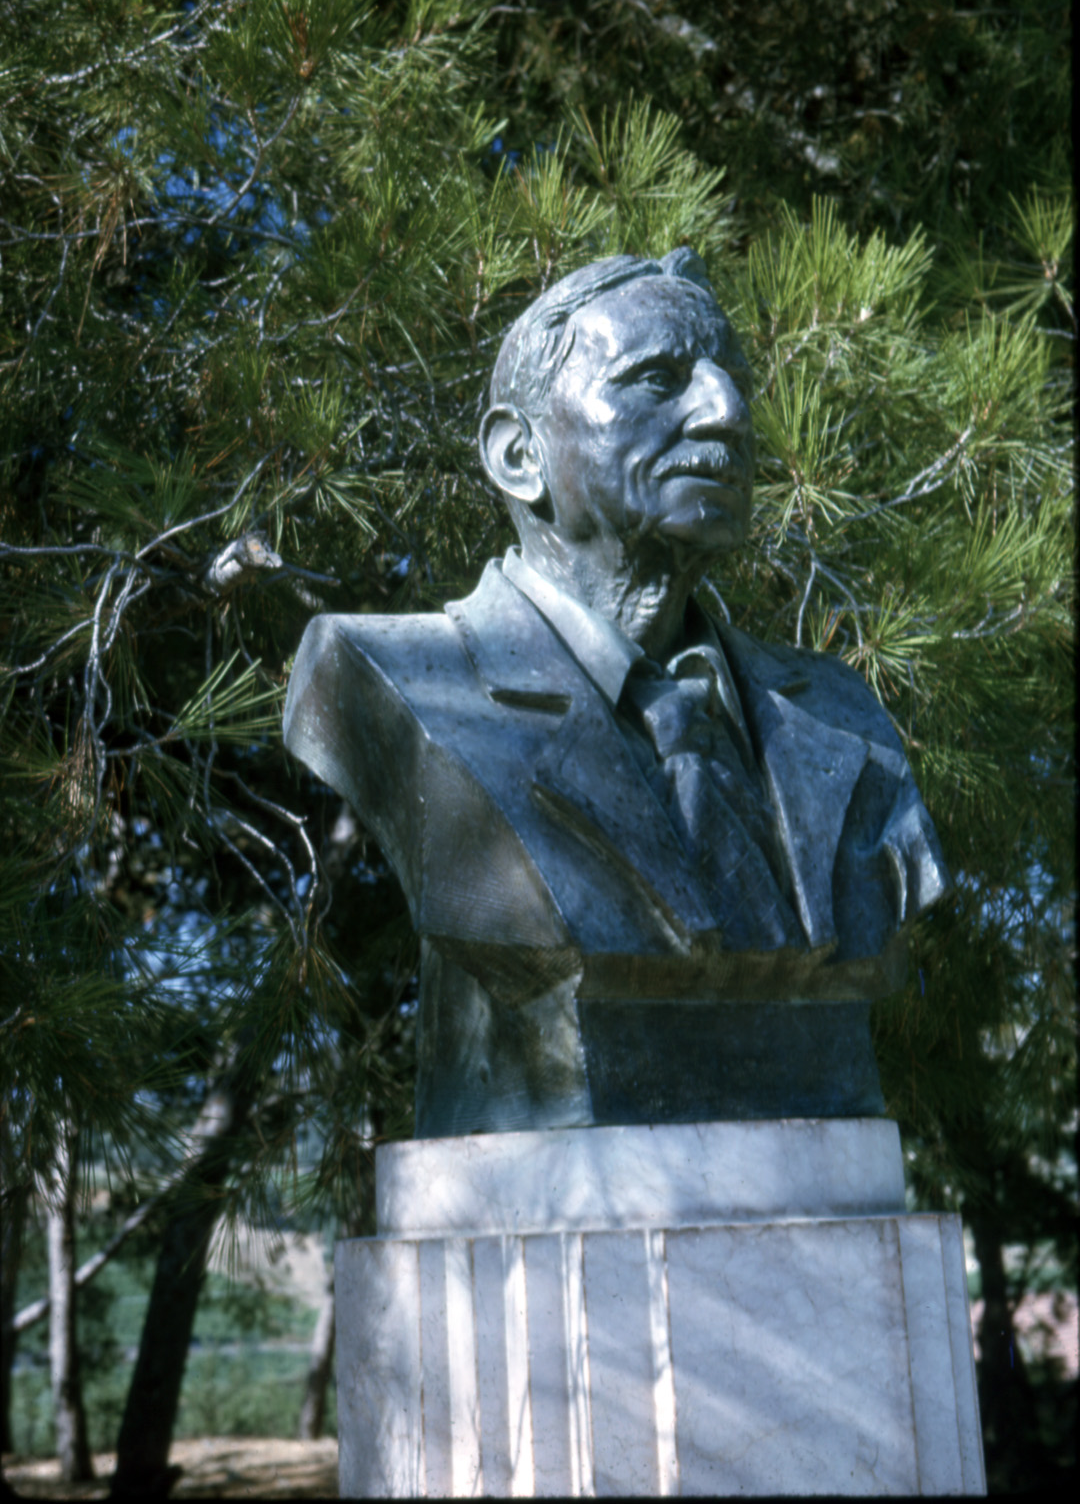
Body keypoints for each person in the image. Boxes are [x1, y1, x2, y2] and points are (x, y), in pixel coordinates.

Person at [284, 249, 950, 1137]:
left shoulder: (841, 716)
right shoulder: (399, 684)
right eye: (657, 380)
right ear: (520, 455)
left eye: (733, 379)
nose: (728, 411)